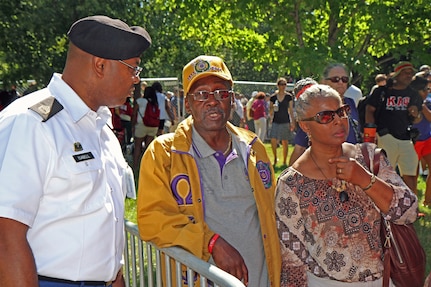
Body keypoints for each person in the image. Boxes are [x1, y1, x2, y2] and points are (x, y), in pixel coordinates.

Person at [0, 15, 151, 287]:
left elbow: (105, 227)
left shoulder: (102, 132)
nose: (137, 80)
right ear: (100, 65)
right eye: (133, 68)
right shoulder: (31, 123)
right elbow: (5, 234)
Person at [136, 55, 281, 287]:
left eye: (220, 93)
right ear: (188, 104)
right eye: (201, 94)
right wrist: (211, 243)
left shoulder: (253, 148)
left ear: (231, 100)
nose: (212, 101)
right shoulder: (163, 154)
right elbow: (153, 219)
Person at [275, 84, 418, 286]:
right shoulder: (291, 183)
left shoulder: (369, 157)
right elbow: (292, 262)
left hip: (381, 279)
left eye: (342, 112)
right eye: (326, 116)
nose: (339, 121)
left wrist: (365, 180)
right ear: (305, 126)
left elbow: (409, 212)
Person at [365, 61, 423, 193]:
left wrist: (416, 113)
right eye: (405, 73)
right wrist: (372, 132)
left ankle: (411, 208)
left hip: (406, 138)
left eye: (411, 73)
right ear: (396, 74)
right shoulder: (382, 92)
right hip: (385, 135)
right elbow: (369, 109)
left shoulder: (413, 94)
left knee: (411, 175)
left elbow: (418, 119)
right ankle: (384, 205)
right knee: (385, 175)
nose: (409, 76)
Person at [409, 76, 431, 206]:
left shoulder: (427, 102)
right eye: (424, 89)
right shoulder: (408, 103)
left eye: (428, 89)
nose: (427, 92)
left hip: (428, 139)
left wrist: (421, 106)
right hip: (413, 142)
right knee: (413, 175)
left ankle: (428, 201)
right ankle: (413, 205)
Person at [269, 77, 295, 167]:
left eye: (284, 84)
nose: (283, 86)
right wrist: (273, 108)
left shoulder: (289, 97)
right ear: (278, 85)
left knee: (285, 141)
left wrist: (293, 122)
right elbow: (270, 111)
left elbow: (291, 110)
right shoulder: (273, 97)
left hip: (285, 120)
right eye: (281, 84)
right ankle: (275, 158)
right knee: (273, 139)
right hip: (276, 120)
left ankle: (284, 161)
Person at [132, 86, 159, 171]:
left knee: (137, 146)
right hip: (153, 126)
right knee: (149, 148)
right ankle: (148, 167)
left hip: (141, 125)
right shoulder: (155, 103)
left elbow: (134, 114)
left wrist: (133, 125)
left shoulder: (140, 101)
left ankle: (135, 167)